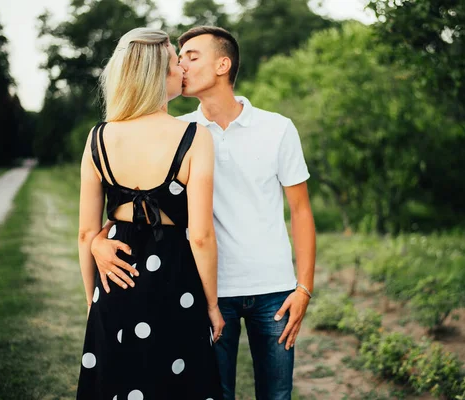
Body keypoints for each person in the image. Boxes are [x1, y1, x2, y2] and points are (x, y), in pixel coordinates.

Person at [91, 26, 316, 400]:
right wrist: (99, 240)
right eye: (178, 59)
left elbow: (302, 212)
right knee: (213, 393)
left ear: (223, 65)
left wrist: (304, 287)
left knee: (278, 395)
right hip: (203, 287)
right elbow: (139, 206)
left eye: (192, 57)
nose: (181, 64)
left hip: (274, 290)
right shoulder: (180, 133)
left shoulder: (278, 129)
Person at [76, 27, 224, 400]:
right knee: (176, 383)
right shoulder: (193, 137)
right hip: (175, 280)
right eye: (177, 63)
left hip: (114, 281)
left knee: (119, 384)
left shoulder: (98, 137)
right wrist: (212, 305)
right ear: (160, 74)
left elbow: (85, 233)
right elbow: (202, 235)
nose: (183, 70)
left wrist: (92, 299)